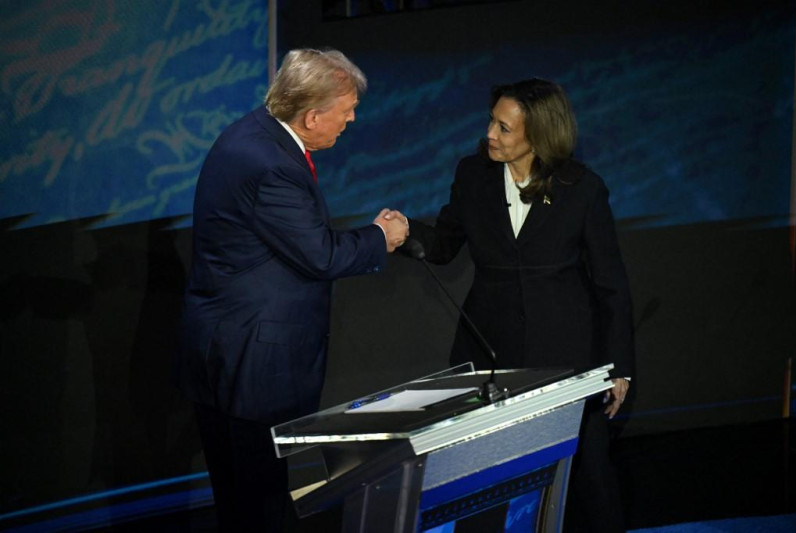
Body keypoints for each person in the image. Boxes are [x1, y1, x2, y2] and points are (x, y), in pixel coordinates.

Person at [174, 48, 409, 532]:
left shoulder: (253, 133)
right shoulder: (271, 165)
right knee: (259, 505)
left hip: (229, 351)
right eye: (345, 112)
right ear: (311, 115)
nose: (351, 119)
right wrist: (379, 237)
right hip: (255, 365)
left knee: (241, 498)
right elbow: (319, 255)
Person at [404, 78, 634, 533]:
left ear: (538, 135)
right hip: (491, 353)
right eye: (492, 121)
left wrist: (620, 368)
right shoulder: (473, 175)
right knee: (485, 478)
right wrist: (402, 233)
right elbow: (445, 242)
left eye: (504, 128)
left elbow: (611, 285)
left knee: (589, 477)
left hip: (568, 359)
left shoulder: (583, 188)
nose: (491, 133)